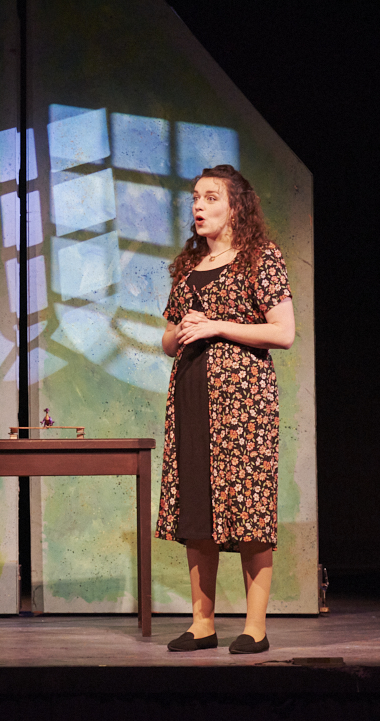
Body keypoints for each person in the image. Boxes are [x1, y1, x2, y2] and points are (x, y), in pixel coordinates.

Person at [156, 165, 295, 655]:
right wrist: (182, 330)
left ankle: (255, 627)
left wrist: (217, 325)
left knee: (249, 508)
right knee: (197, 510)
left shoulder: (260, 257)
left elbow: (283, 332)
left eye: (211, 197)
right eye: (196, 197)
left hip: (243, 405)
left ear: (236, 207)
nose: (199, 205)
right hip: (192, 396)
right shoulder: (189, 268)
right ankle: (202, 624)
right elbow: (168, 340)